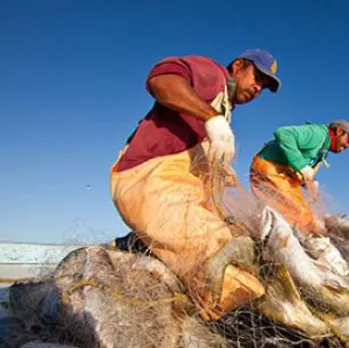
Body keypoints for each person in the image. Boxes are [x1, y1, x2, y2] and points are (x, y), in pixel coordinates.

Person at [110, 49, 281, 320]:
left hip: (179, 191)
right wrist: (211, 118)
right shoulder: (213, 75)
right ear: (238, 65)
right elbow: (161, 80)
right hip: (150, 180)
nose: (258, 87)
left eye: (264, 86)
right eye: (257, 77)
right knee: (227, 271)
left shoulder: (224, 109)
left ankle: (143, 247)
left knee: (242, 250)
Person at [250, 120, 349, 234]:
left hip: (284, 175)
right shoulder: (317, 134)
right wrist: (302, 166)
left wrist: (311, 184)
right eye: (348, 140)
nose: (348, 146)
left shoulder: (323, 151)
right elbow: (283, 133)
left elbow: (304, 172)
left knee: (306, 214)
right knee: (299, 214)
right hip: (268, 166)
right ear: (339, 131)